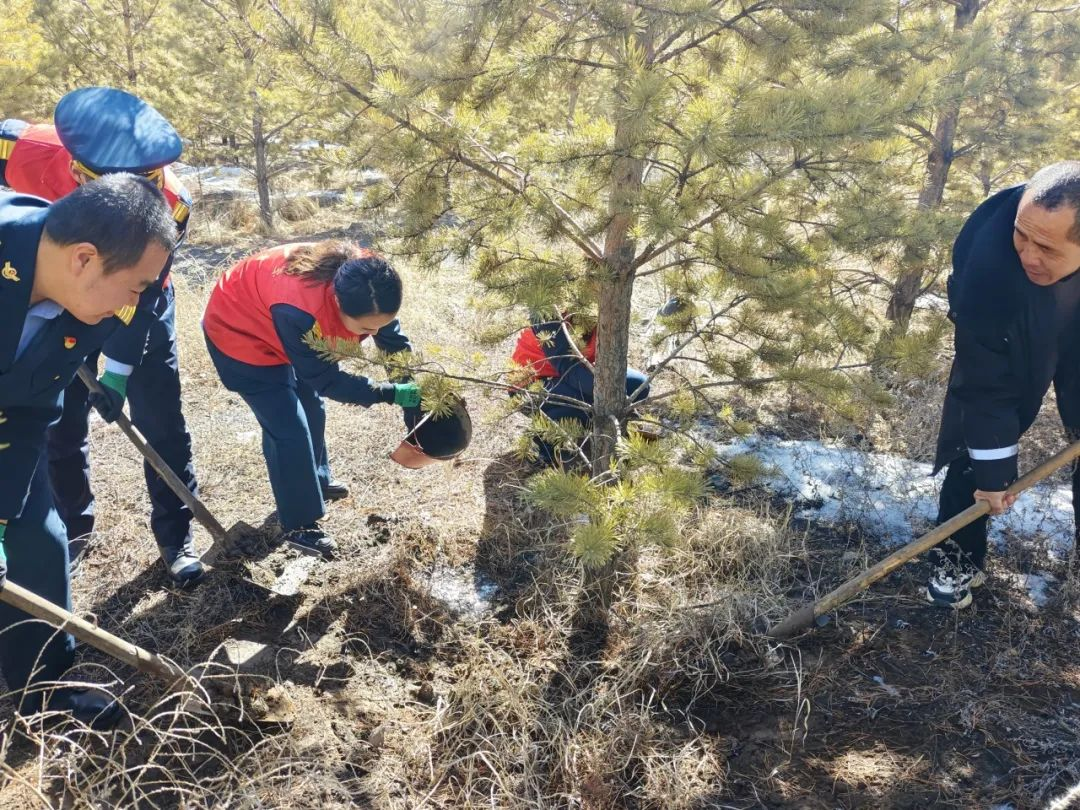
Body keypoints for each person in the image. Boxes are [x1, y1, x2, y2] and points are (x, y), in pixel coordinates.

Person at [0, 86, 203, 586]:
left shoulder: (170, 205)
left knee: (161, 418)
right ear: (74, 167)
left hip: (130, 298)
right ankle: (74, 525)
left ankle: (176, 536)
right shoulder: (20, 147)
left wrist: (117, 372)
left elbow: (141, 295)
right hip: (36, 292)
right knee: (58, 424)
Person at [0, 173, 177, 725]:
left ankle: (46, 691)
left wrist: (3, 515)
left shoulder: (89, 306)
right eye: (139, 285)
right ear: (84, 258)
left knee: (39, 540)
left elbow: (32, 409)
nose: (141, 301)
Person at [202, 241, 422, 557]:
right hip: (239, 331)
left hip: (277, 320)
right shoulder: (299, 308)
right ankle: (299, 525)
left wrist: (409, 392)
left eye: (380, 324)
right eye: (365, 328)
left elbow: (393, 342)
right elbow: (325, 379)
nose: (374, 332)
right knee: (288, 428)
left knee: (311, 408)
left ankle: (316, 483)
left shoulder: (372, 281)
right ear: (336, 302)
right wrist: (390, 394)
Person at [928, 161, 1080, 609]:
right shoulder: (991, 260)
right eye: (1023, 235)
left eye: (1047, 248)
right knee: (975, 447)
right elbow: (984, 383)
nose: (1029, 254)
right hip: (1016, 326)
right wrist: (994, 477)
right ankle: (957, 555)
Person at [511, 313, 650, 466]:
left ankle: (592, 427)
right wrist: (616, 398)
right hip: (531, 385)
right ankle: (546, 445)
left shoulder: (601, 305)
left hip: (572, 376)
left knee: (638, 385)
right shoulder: (548, 311)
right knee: (585, 401)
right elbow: (567, 366)